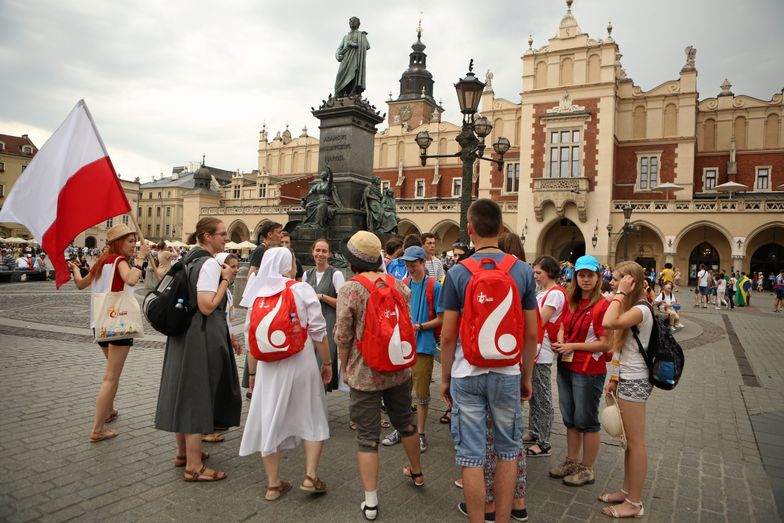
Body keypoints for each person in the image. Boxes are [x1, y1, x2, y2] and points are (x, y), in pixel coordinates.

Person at [440, 199, 537, 523]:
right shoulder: (522, 271)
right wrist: (526, 376)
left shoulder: (456, 273)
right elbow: (531, 334)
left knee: (471, 456)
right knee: (508, 451)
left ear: (469, 230)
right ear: (501, 229)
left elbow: (448, 336)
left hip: (466, 374)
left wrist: (445, 379)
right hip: (507, 373)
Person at [335, 231, 423, 521]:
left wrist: (345, 368)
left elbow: (343, 336)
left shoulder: (351, 289)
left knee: (367, 437)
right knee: (407, 424)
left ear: (352, 261)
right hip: (398, 369)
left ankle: (371, 502)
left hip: (365, 373)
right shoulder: (398, 284)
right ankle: (417, 473)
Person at [239, 247, 332, 500]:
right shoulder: (300, 289)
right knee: (312, 415)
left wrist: (253, 376)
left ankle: (273, 484)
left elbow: (250, 340)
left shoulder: (257, 294)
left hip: (269, 367)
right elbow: (318, 331)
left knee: (270, 418)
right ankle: (311, 476)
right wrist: (327, 363)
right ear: (288, 265)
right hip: (301, 361)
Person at [154, 217, 242, 482]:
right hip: (199, 336)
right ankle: (194, 467)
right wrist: (225, 279)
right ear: (206, 236)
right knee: (196, 397)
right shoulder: (208, 264)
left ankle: (183, 454)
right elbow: (206, 305)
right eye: (222, 234)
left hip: (184, 334)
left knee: (185, 393)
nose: (226, 239)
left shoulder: (189, 259)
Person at [68, 224, 150, 443]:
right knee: (111, 377)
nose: (134, 245)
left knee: (111, 372)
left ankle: (110, 410)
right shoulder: (119, 261)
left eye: (134, 241)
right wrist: (141, 259)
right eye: (130, 241)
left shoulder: (101, 261)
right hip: (118, 322)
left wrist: (76, 269)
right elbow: (131, 279)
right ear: (118, 243)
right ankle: (97, 429)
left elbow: (80, 284)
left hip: (100, 322)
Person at [549, 255, 611, 487]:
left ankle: (587, 469)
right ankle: (572, 461)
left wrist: (572, 345)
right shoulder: (570, 300)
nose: (585, 279)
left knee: (587, 420)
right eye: (581, 275)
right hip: (567, 364)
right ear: (575, 277)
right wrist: (559, 340)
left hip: (588, 370)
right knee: (570, 418)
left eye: (590, 275)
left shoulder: (603, 306)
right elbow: (563, 324)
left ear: (598, 277)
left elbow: (606, 344)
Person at [600, 261, 653, 518]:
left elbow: (609, 322)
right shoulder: (632, 308)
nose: (611, 282)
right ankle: (627, 490)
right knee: (628, 444)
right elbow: (622, 347)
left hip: (636, 380)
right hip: (627, 378)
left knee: (636, 443)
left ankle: (634, 503)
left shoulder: (641, 309)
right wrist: (614, 377)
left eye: (618, 279)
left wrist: (619, 294)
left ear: (631, 282)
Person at [381, 245, 443, 453]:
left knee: (422, 394)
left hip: (423, 346)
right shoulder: (404, 283)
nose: (410, 268)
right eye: (407, 264)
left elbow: (441, 319)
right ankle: (403, 428)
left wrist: (421, 326)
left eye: (413, 264)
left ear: (423, 263)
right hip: (403, 347)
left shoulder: (434, 286)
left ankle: (422, 433)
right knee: (402, 393)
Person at [526, 255, 565, 457]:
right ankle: (534, 431)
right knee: (534, 395)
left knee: (543, 397)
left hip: (543, 350)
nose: (536, 276)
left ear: (549, 272)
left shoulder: (555, 293)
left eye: (539, 273)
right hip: (536, 348)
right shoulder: (543, 292)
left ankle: (544, 441)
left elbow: (540, 319)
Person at [303, 239, 345, 392]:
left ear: (330, 254)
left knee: (323, 360)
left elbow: (342, 303)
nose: (320, 254)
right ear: (312, 252)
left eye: (324, 251)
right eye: (318, 250)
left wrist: (321, 296)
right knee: (309, 361)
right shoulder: (307, 275)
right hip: (310, 322)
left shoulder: (336, 274)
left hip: (328, 319)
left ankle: (319, 400)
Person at [334, 16, 370, 97]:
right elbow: (339, 48)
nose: (352, 22)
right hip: (345, 59)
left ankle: (351, 92)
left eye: (354, 21)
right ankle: (339, 93)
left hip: (355, 59)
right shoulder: (345, 37)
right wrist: (337, 55)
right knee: (340, 75)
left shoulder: (361, 35)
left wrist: (355, 45)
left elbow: (366, 46)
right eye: (350, 21)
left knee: (353, 75)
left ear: (358, 24)